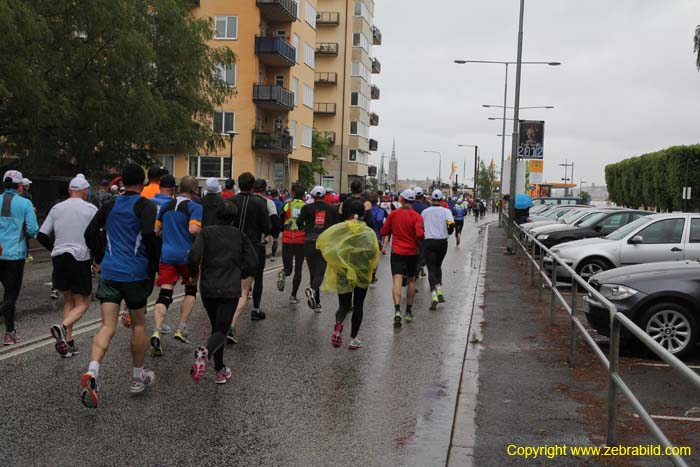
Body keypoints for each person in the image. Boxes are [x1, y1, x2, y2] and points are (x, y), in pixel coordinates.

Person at [82, 163, 160, 408]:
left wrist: (99, 257)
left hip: (111, 271)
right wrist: (153, 266)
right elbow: (148, 235)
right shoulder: (146, 206)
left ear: (123, 182)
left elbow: (89, 232)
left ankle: (93, 371)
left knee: (107, 325)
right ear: (143, 182)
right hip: (135, 273)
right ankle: (138, 377)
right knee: (138, 323)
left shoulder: (109, 205)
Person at [188, 200, 258, 384]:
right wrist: (240, 273)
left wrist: (193, 274)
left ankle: (219, 369)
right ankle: (205, 353)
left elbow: (194, 256)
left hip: (208, 287)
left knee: (216, 329)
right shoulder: (239, 235)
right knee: (222, 329)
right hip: (229, 288)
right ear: (233, 218)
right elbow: (253, 262)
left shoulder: (206, 232)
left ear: (217, 215)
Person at [39, 174, 98, 357]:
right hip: (79, 257)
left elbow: (41, 235)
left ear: (70, 190)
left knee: (69, 300)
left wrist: (54, 248)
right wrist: (97, 259)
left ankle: (69, 342)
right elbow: (96, 236)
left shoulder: (57, 208)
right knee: (83, 303)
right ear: (84, 191)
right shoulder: (91, 209)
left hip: (59, 256)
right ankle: (63, 327)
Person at [150, 176, 203, 356]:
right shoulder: (194, 207)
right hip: (187, 256)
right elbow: (193, 230)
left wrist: (168, 236)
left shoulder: (166, 206)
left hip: (167, 255)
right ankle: (181, 328)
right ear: (195, 190)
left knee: (165, 294)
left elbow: (156, 230)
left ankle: (157, 330)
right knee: (190, 290)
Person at [318, 200, 379, 350]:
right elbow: (373, 253)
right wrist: (372, 271)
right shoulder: (369, 232)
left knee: (343, 305)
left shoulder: (340, 229)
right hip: (362, 272)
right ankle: (353, 339)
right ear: (363, 214)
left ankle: (338, 326)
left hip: (343, 271)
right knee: (358, 306)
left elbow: (327, 243)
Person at [227, 173, 271, 342]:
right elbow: (267, 226)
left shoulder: (231, 201)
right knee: (244, 291)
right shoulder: (260, 202)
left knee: (229, 287)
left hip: (231, 248)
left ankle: (222, 323)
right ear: (252, 186)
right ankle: (231, 325)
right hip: (250, 249)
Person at [0, 170, 39, 345]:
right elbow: (32, 229)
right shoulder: (25, 204)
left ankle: (11, 332)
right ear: (19, 186)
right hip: (15, 254)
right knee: (10, 295)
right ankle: (9, 334)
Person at [380, 189, 424, 326]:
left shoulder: (393, 214)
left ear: (402, 200)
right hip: (412, 252)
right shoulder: (417, 217)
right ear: (413, 201)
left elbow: (383, 231)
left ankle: (397, 311)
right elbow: (420, 235)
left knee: (397, 280)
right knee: (411, 280)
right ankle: (409, 311)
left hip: (397, 252)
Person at [297, 186, 337, 312]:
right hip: (324, 244)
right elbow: (335, 226)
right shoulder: (331, 209)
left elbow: (299, 222)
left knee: (313, 272)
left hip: (309, 242)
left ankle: (317, 302)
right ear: (324, 196)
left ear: (313, 196)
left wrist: (305, 229)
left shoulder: (306, 208)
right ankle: (313, 291)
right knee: (320, 272)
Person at [422, 190, 455, 310]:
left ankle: (433, 295)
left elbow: (421, 226)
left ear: (431, 199)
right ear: (441, 200)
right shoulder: (447, 211)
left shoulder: (425, 212)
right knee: (438, 266)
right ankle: (439, 290)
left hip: (429, 241)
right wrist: (448, 232)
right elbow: (451, 225)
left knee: (430, 268)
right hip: (442, 242)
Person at [251, 179, 280, 312]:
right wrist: (272, 234)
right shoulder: (268, 203)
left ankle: (239, 300)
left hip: (241, 242)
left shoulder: (243, 200)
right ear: (264, 189)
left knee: (240, 274)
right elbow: (275, 221)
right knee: (258, 276)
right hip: (258, 242)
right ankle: (256, 308)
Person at [277, 182, 307, 304]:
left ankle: (283, 273)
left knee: (288, 268)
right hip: (301, 240)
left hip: (288, 239)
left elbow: (280, 220)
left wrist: (283, 229)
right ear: (304, 194)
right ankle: (293, 296)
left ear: (293, 193)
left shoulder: (287, 205)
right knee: (298, 268)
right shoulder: (306, 206)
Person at [367, 192, 386, 284]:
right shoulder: (380, 211)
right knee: (375, 256)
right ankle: (373, 276)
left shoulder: (365, 210)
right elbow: (379, 220)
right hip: (377, 235)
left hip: (366, 234)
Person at [269, 189, 284, 260]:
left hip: (268, 221)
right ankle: (273, 255)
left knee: (266, 237)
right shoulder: (280, 203)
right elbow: (281, 214)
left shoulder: (268, 202)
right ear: (278, 194)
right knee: (275, 239)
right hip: (276, 222)